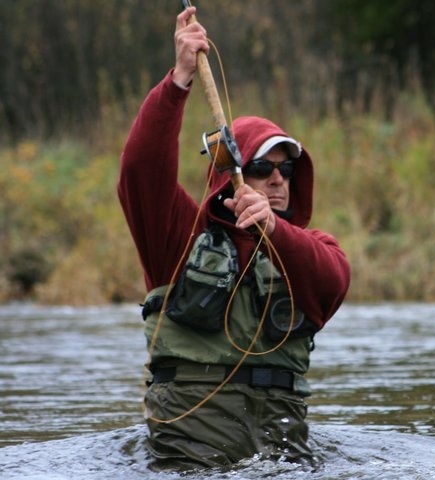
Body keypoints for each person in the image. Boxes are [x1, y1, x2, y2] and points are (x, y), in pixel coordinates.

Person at [117, 6, 351, 469]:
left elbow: (334, 281)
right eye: (263, 168)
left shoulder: (311, 249)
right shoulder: (180, 236)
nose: (278, 180)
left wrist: (275, 231)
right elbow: (140, 171)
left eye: (287, 170)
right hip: (191, 451)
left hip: (282, 455)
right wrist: (178, 81)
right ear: (232, 175)